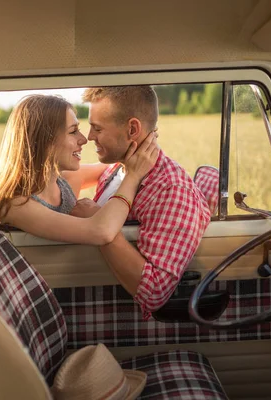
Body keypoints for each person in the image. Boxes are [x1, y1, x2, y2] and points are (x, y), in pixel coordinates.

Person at [72, 86, 213, 319]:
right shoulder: (118, 169)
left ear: (132, 129)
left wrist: (98, 222)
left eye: (97, 128)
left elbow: (155, 292)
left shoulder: (171, 190)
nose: (89, 136)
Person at [0, 94, 159, 246]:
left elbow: (113, 166)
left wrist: (137, 148)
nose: (84, 139)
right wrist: (133, 176)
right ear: (45, 142)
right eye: (73, 131)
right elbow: (102, 231)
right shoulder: (16, 205)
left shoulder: (67, 181)